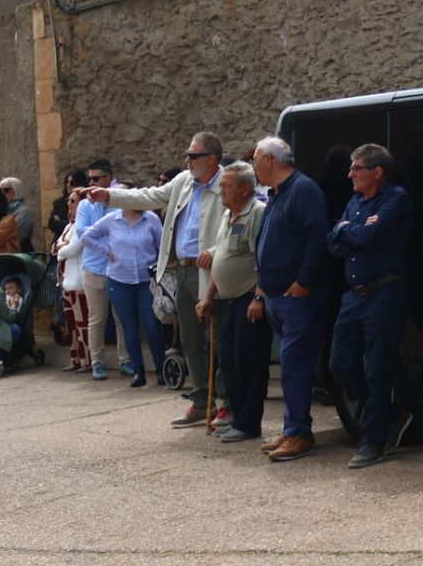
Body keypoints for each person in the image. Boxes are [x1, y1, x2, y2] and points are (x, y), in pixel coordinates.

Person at [88, 134, 226, 423]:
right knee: (189, 338)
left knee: (219, 338)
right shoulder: (183, 182)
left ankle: (225, 400)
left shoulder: (227, 183)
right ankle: (202, 398)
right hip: (184, 269)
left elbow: (235, 223)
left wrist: (215, 251)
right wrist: (110, 197)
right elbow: (149, 196)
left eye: (193, 155)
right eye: (187, 154)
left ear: (212, 159)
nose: (187, 160)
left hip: (213, 269)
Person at [327, 143, 413, 469]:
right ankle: (389, 414)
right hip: (354, 295)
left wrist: (349, 230)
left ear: (376, 172)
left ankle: (373, 441)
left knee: (378, 369)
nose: (349, 174)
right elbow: (332, 242)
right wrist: (350, 230)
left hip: (384, 293)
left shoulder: (395, 199)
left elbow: (368, 237)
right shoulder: (354, 201)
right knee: (340, 364)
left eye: (356, 168)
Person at [250, 136, 330, 462]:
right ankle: (292, 428)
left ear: (269, 160)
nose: (252, 166)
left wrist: (304, 282)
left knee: (295, 367)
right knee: (288, 366)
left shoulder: (303, 189)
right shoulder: (278, 195)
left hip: (296, 297)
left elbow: (316, 237)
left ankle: (299, 434)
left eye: (255, 159)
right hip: (276, 296)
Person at [196, 162, 270, 444]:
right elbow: (222, 258)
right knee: (229, 362)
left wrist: (259, 297)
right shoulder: (228, 214)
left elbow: (262, 259)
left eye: (227, 185)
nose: (221, 190)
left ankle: (250, 423)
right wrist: (207, 298)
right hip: (227, 302)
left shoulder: (257, 214)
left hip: (248, 300)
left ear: (245, 189)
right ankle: (238, 418)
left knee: (249, 363)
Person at [80, 199, 165, 386]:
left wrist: (160, 267)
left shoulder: (151, 219)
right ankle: (138, 370)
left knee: (151, 324)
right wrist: (105, 250)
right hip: (119, 280)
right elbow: (86, 236)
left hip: (145, 281)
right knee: (129, 326)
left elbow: (162, 245)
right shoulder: (111, 220)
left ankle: (161, 369)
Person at [74, 159, 122, 378]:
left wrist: (99, 234)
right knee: (97, 318)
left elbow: (121, 229)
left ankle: (126, 360)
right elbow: (82, 233)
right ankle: (97, 363)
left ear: (108, 179)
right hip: (94, 267)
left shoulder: (119, 199)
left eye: (96, 179)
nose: (91, 184)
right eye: (89, 179)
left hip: (118, 267)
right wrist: (104, 245)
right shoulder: (85, 204)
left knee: (121, 317)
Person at [54, 189, 90, 372]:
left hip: (78, 281)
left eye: (74, 201)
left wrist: (61, 248)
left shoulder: (82, 226)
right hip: (66, 281)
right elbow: (56, 246)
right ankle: (75, 358)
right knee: (71, 323)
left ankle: (86, 361)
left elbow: (73, 249)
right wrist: (61, 247)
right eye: (69, 200)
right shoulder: (69, 226)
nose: (69, 203)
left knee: (82, 322)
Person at [0, 177, 35, 252]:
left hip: (18, 252)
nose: (2, 193)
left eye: (6, 190)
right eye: (0, 191)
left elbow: (18, 235)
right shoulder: (0, 210)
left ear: (16, 190)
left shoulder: (24, 211)